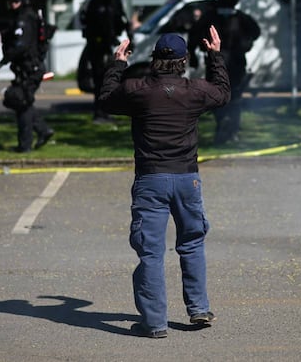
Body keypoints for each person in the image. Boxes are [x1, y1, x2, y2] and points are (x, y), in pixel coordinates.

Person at [97, 27, 230, 339]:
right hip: (187, 179)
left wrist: (118, 63)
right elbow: (223, 93)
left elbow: (105, 99)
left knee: (151, 252)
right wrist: (215, 56)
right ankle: (198, 308)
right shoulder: (196, 91)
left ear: (154, 59)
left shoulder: (137, 90)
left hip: (151, 180)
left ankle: (155, 323)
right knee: (193, 243)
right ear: (184, 61)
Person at [188, 0, 260, 145]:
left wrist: (244, 44)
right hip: (220, 63)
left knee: (229, 97)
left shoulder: (239, 18)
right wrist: (193, 54)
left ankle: (229, 128)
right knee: (225, 97)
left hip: (231, 63)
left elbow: (255, 32)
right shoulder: (212, 18)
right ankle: (226, 127)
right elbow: (193, 36)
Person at [0, 0, 54, 152]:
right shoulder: (23, 17)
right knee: (22, 102)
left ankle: (25, 144)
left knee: (20, 100)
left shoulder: (25, 19)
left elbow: (21, 45)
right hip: (26, 68)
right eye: (11, 1)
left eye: (16, 1)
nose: (13, 5)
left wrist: (4, 60)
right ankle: (42, 130)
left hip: (30, 69)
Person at [79, 0, 131, 121]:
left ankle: (104, 111)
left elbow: (121, 19)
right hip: (98, 45)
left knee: (108, 78)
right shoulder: (97, 4)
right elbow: (99, 25)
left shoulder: (113, 2)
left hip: (109, 44)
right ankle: (99, 112)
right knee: (100, 79)